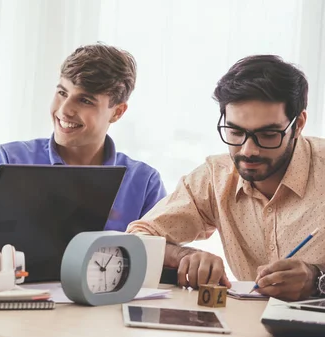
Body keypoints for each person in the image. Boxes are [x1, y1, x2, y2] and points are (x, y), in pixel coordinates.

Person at [0, 44, 167, 260]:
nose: (64, 110)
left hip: (103, 311)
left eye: (85, 100)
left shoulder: (144, 182)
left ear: (117, 112)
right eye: (62, 93)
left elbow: (159, 260)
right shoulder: (9, 159)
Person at [126, 55, 325, 301]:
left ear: (299, 124)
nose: (248, 150)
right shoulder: (215, 177)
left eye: (268, 134)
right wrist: (183, 256)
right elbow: (138, 239)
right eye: (236, 131)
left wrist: (318, 281)